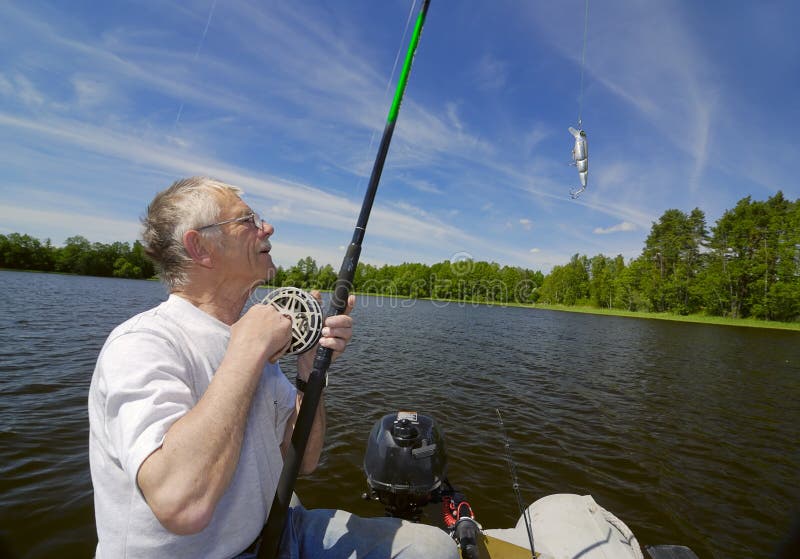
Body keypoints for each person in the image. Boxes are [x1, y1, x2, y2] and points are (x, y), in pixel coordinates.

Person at [88, 177, 458, 559]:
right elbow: (181, 506)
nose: (268, 227)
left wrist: (309, 371)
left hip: (276, 531)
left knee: (434, 549)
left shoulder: (253, 335)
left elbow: (304, 460)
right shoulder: (142, 343)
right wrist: (245, 353)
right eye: (247, 220)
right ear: (200, 247)